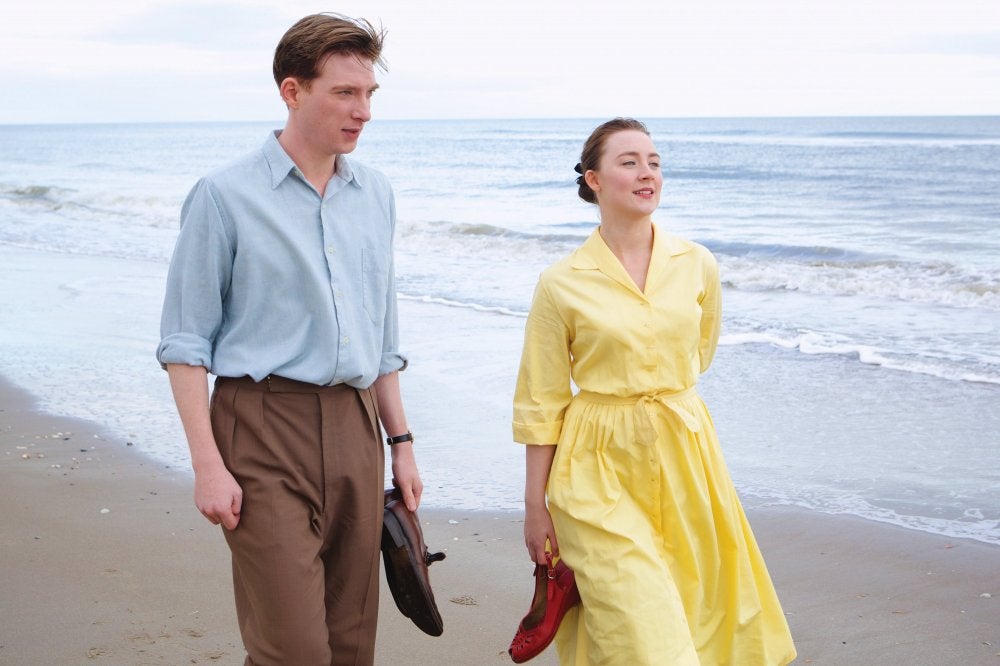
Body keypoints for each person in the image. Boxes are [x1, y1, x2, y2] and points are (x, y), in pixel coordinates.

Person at [156, 14, 421, 665]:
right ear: (292, 90)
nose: (362, 112)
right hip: (262, 426)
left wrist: (402, 445)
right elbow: (185, 343)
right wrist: (207, 466)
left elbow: (381, 333)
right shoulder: (223, 196)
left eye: (369, 96)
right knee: (294, 649)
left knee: (351, 644)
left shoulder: (375, 194)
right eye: (344, 93)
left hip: (357, 427)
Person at [513, 118, 796, 664]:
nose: (647, 173)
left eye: (655, 161)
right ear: (593, 180)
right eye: (629, 161)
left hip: (685, 453)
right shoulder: (562, 281)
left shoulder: (697, 264)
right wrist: (535, 505)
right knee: (636, 622)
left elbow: (699, 353)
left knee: (696, 613)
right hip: (595, 466)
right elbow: (540, 398)